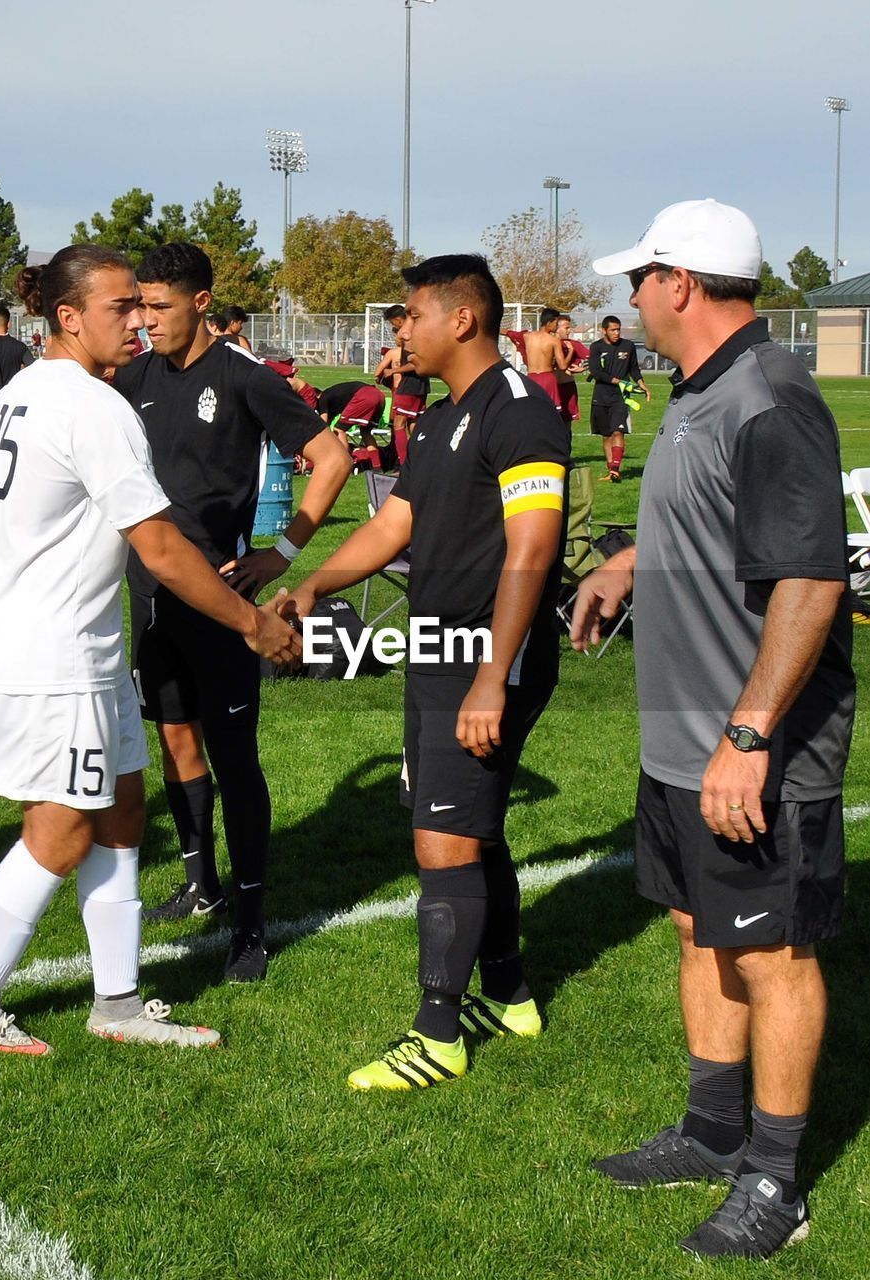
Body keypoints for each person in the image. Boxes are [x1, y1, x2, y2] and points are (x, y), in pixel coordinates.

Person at [571, 199, 855, 1260]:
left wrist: (748, 734)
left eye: (639, 277)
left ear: (680, 284)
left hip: (754, 748)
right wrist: (626, 563)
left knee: (774, 952)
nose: (629, 296)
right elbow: (725, 526)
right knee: (699, 929)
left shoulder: (770, 399)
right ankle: (710, 1128)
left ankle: (776, 1181)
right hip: (681, 737)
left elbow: (812, 580)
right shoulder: (699, 391)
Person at [0, 244, 302, 1057]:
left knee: (123, 811)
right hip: (60, 655)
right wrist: (253, 624)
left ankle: (118, 1002)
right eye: (119, 308)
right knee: (62, 830)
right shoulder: (91, 406)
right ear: (68, 318)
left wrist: (7, 591)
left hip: (78, 647)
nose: (137, 320)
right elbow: (164, 549)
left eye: (142, 306)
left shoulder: (17, 393)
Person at [285, 254, 569, 1090]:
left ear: (463, 320)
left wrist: (493, 673)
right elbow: (397, 521)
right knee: (472, 827)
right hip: (439, 650)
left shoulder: (520, 411)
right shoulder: (447, 416)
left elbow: (534, 545)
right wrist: (315, 578)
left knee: (441, 839)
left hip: (484, 658)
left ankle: (436, 1033)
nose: (398, 329)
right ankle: (510, 993)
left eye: (409, 315)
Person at [112, 243, 350, 982]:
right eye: (138, 306)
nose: (145, 320)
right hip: (150, 593)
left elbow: (332, 455)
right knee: (175, 741)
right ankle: (199, 884)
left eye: (159, 306)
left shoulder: (244, 377)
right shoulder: (134, 376)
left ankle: (249, 920)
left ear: (202, 303)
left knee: (233, 757)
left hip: (222, 601)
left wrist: (280, 552)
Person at [587, 314, 650, 481]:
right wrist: (618, 381)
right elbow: (595, 372)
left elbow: (634, 369)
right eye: (613, 330)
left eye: (618, 329)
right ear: (604, 331)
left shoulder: (628, 346)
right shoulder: (596, 347)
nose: (616, 333)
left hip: (621, 397)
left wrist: (642, 384)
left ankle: (615, 469)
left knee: (618, 431)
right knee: (606, 435)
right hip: (600, 396)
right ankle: (610, 470)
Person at [374, 304, 431, 463]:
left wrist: (394, 371)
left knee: (398, 425)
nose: (395, 329)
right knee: (414, 424)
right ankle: (421, 460)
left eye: (394, 324)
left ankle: (405, 464)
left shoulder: (410, 336)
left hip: (410, 385)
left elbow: (416, 363)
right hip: (421, 385)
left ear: (399, 319)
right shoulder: (418, 332)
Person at [504, 308, 573, 413]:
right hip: (548, 378)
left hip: (532, 378)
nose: (557, 326)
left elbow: (507, 332)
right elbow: (563, 366)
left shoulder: (526, 336)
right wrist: (571, 351)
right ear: (549, 322)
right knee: (550, 413)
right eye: (556, 323)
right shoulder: (554, 341)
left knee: (532, 412)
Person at [317, 380, 388, 471]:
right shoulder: (335, 398)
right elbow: (328, 423)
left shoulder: (323, 398)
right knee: (366, 432)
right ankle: (377, 467)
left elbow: (322, 424)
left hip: (364, 395)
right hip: (379, 395)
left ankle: (345, 465)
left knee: (339, 429)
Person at [553, 313, 588, 425]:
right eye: (566, 328)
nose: (569, 331)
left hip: (567, 387)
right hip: (551, 388)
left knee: (566, 425)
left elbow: (593, 359)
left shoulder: (573, 344)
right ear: (556, 328)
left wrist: (582, 368)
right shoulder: (548, 343)